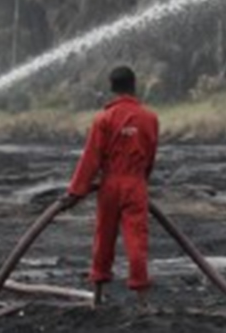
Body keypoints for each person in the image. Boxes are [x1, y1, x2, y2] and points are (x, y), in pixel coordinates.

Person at [60, 66, 159, 309]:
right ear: (133, 86)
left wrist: (75, 192)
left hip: (110, 186)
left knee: (103, 238)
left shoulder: (103, 119)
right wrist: (140, 180)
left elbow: (90, 159)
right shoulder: (150, 118)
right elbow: (151, 154)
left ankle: (96, 297)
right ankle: (142, 302)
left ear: (112, 88)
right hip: (135, 185)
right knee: (137, 240)